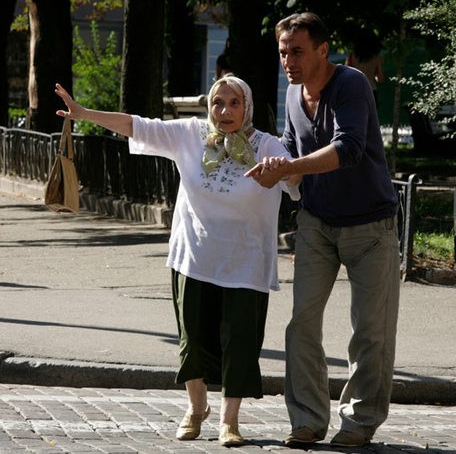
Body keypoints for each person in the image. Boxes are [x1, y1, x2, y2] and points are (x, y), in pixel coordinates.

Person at [55, 76, 300, 447]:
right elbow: (137, 126)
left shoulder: (268, 146)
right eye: (218, 102)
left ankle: (229, 420)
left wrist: (286, 167)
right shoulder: (190, 134)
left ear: (247, 106)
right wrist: (84, 113)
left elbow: (297, 183)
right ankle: (195, 406)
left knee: (240, 341)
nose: (225, 111)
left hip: (246, 262)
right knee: (193, 339)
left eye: (234, 103)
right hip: (195, 256)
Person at [245, 12, 400, 448]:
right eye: (282, 52)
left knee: (370, 329)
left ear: (321, 50)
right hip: (316, 223)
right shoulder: (294, 93)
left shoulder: (351, 84)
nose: (288, 61)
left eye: (296, 51)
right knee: (301, 325)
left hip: (371, 224)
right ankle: (307, 420)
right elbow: (294, 147)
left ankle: (358, 423)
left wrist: (290, 165)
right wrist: (277, 161)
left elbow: (348, 148)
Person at [345, 27, 385, 106]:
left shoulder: (351, 56)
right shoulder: (376, 57)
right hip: (371, 91)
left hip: (355, 92)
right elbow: (380, 79)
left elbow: (345, 76)